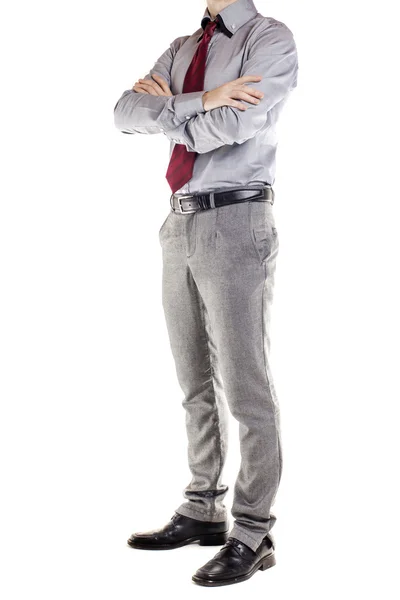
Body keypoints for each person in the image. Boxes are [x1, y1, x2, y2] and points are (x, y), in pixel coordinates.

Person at [114, 0, 298, 587]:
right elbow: (123, 113)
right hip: (179, 222)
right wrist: (202, 101)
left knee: (246, 383)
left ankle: (252, 531)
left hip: (238, 220)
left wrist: (166, 110)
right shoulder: (182, 46)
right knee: (192, 377)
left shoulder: (269, 38)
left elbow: (238, 125)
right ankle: (202, 508)